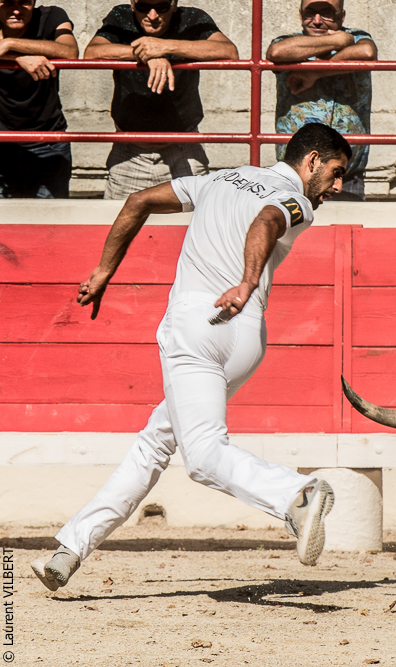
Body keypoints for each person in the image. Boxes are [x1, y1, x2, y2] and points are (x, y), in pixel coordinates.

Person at [30, 123, 351, 591]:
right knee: (158, 440)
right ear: (312, 160)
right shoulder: (296, 199)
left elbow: (138, 200)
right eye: (336, 173)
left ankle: (295, 493)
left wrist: (103, 271)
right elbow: (265, 219)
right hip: (244, 335)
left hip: (199, 327)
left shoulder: (219, 179)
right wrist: (246, 284)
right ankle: (71, 549)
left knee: (201, 456)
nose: (337, 187)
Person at [84, 0, 238, 200]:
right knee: (117, 225)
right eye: (143, 7)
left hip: (184, 149)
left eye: (162, 7)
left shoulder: (191, 19)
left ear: (174, 4)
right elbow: (92, 52)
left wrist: (164, 47)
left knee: (192, 224)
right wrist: (143, 54)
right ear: (132, 4)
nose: (153, 15)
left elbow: (229, 52)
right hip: (130, 154)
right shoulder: (121, 16)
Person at [267, 0, 376, 202]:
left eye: (326, 13)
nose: (317, 21)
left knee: (344, 230)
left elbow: (366, 53)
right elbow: (276, 53)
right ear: (300, 15)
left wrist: (314, 73)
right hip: (296, 173)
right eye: (310, 13)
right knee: (294, 231)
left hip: (345, 174)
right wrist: (338, 41)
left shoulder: (357, 38)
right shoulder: (288, 41)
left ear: (341, 17)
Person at [0, 0, 78, 198]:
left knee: (49, 223)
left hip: (48, 143)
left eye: (24, 2)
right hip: (2, 143)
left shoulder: (52, 15)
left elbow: (70, 52)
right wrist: (18, 58)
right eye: (7, 2)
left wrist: (9, 45)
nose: (16, 10)